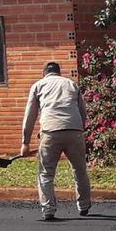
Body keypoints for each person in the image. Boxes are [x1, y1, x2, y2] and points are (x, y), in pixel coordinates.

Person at [20, 62, 91, 221]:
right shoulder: (71, 84)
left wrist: (25, 143)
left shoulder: (39, 85)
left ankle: (48, 209)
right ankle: (84, 205)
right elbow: (82, 112)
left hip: (50, 133)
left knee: (46, 173)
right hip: (74, 131)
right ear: (59, 73)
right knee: (80, 170)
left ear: (44, 73)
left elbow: (29, 116)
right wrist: (79, 130)